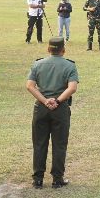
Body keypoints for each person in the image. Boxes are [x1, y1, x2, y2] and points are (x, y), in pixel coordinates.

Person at [26, 37, 77, 189]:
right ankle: (57, 178)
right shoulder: (69, 65)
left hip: (41, 108)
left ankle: (38, 179)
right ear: (63, 50)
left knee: (39, 143)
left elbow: (30, 86)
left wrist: (44, 100)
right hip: (60, 109)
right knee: (59, 144)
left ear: (48, 49)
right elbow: (72, 88)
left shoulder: (38, 64)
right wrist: (58, 101)